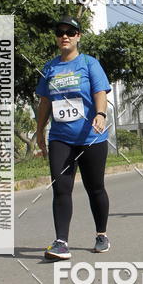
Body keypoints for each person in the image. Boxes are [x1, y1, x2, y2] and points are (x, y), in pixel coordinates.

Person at [35, 16, 112, 260]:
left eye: (70, 31)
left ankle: (101, 235)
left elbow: (99, 91)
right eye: (60, 32)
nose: (64, 36)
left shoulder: (89, 64)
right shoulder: (50, 68)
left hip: (91, 137)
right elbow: (45, 101)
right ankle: (61, 242)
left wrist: (100, 114)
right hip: (61, 137)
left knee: (95, 188)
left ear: (78, 36)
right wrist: (39, 130)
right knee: (61, 188)